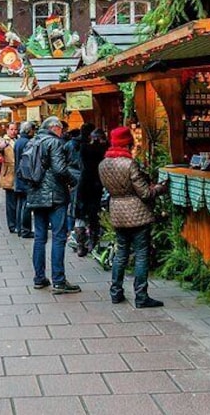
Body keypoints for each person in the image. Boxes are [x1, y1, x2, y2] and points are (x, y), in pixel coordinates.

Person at [98, 126, 168, 307]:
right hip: (137, 213)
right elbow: (144, 193)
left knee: (121, 252)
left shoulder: (104, 164)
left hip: (117, 212)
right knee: (141, 254)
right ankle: (141, 296)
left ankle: (115, 292)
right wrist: (160, 188)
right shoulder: (129, 164)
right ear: (127, 143)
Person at [26, 117, 81, 294]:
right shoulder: (54, 142)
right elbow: (59, 169)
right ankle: (58, 280)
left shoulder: (32, 142)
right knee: (58, 237)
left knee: (40, 238)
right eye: (61, 129)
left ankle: (39, 278)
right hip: (55, 196)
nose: (62, 132)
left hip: (35, 195)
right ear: (55, 128)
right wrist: (72, 181)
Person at [74, 126, 107, 257]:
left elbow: (80, 164)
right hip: (97, 184)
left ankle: (80, 246)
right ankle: (92, 243)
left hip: (84, 183)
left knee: (81, 215)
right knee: (94, 215)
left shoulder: (83, 148)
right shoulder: (104, 150)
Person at [0, 122, 19, 233]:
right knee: (11, 203)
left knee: (18, 202)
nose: (13, 131)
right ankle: (12, 225)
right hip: (9, 174)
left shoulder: (19, 139)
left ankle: (18, 223)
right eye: (11, 129)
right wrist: (1, 146)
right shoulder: (4, 141)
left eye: (15, 129)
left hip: (18, 174)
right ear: (7, 130)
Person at [13, 121, 36, 238]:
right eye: (33, 129)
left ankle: (19, 228)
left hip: (18, 176)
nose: (34, 132)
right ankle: (26, 230)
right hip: (25, 177)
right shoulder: (27, 142)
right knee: (26, 205)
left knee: (20, 204)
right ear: (29, 130)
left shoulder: (18, 142)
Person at [63, 129, 83, 234]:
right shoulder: (84, 144)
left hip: (70, 173)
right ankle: (76, 227)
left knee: (71, 202)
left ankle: (70, 228)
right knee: (77, 202)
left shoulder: (67, 145)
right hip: (81, 174)